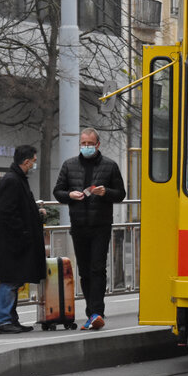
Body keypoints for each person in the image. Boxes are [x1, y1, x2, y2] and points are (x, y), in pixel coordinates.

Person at [54, 128, 125, 331]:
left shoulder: (110, 166)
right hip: (79, 225)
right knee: (85, 271)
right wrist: (70, 195)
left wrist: (106, 192)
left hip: (101, 225)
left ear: (97, 144)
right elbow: (58, 191)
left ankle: (97, 312)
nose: (86, 147)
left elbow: (120, 194)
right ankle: (91, 311)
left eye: (90, 143)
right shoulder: (69, 165)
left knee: (97, 268)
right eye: (83, 143)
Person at [0, 145, 46, 334]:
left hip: (15, 240)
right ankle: (3, 320)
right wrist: (23, 233)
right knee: (10, 280)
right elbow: (8, 212)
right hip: (13, 242)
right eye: (34, 160)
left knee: (14, 280)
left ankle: (10, 319)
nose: (34, 164)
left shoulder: (16, 179)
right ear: (27, 161)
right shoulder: (13, 180)